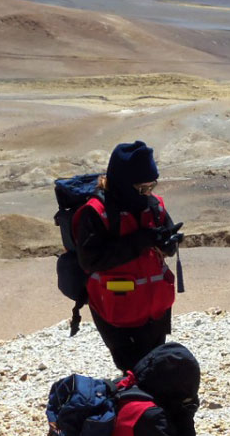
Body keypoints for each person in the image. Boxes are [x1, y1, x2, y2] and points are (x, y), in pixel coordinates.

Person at [72, 140, 183, 372]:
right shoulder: (96, 213)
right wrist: (142, 239)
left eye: (151, 186)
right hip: (118, 312)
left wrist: (169, 243)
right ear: (123, 183)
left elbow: (165, 246)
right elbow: (90, 260)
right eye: (141, 188)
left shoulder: (154, 205)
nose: (147, 193)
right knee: (133, 370)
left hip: (156, 309)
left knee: (154, 366)